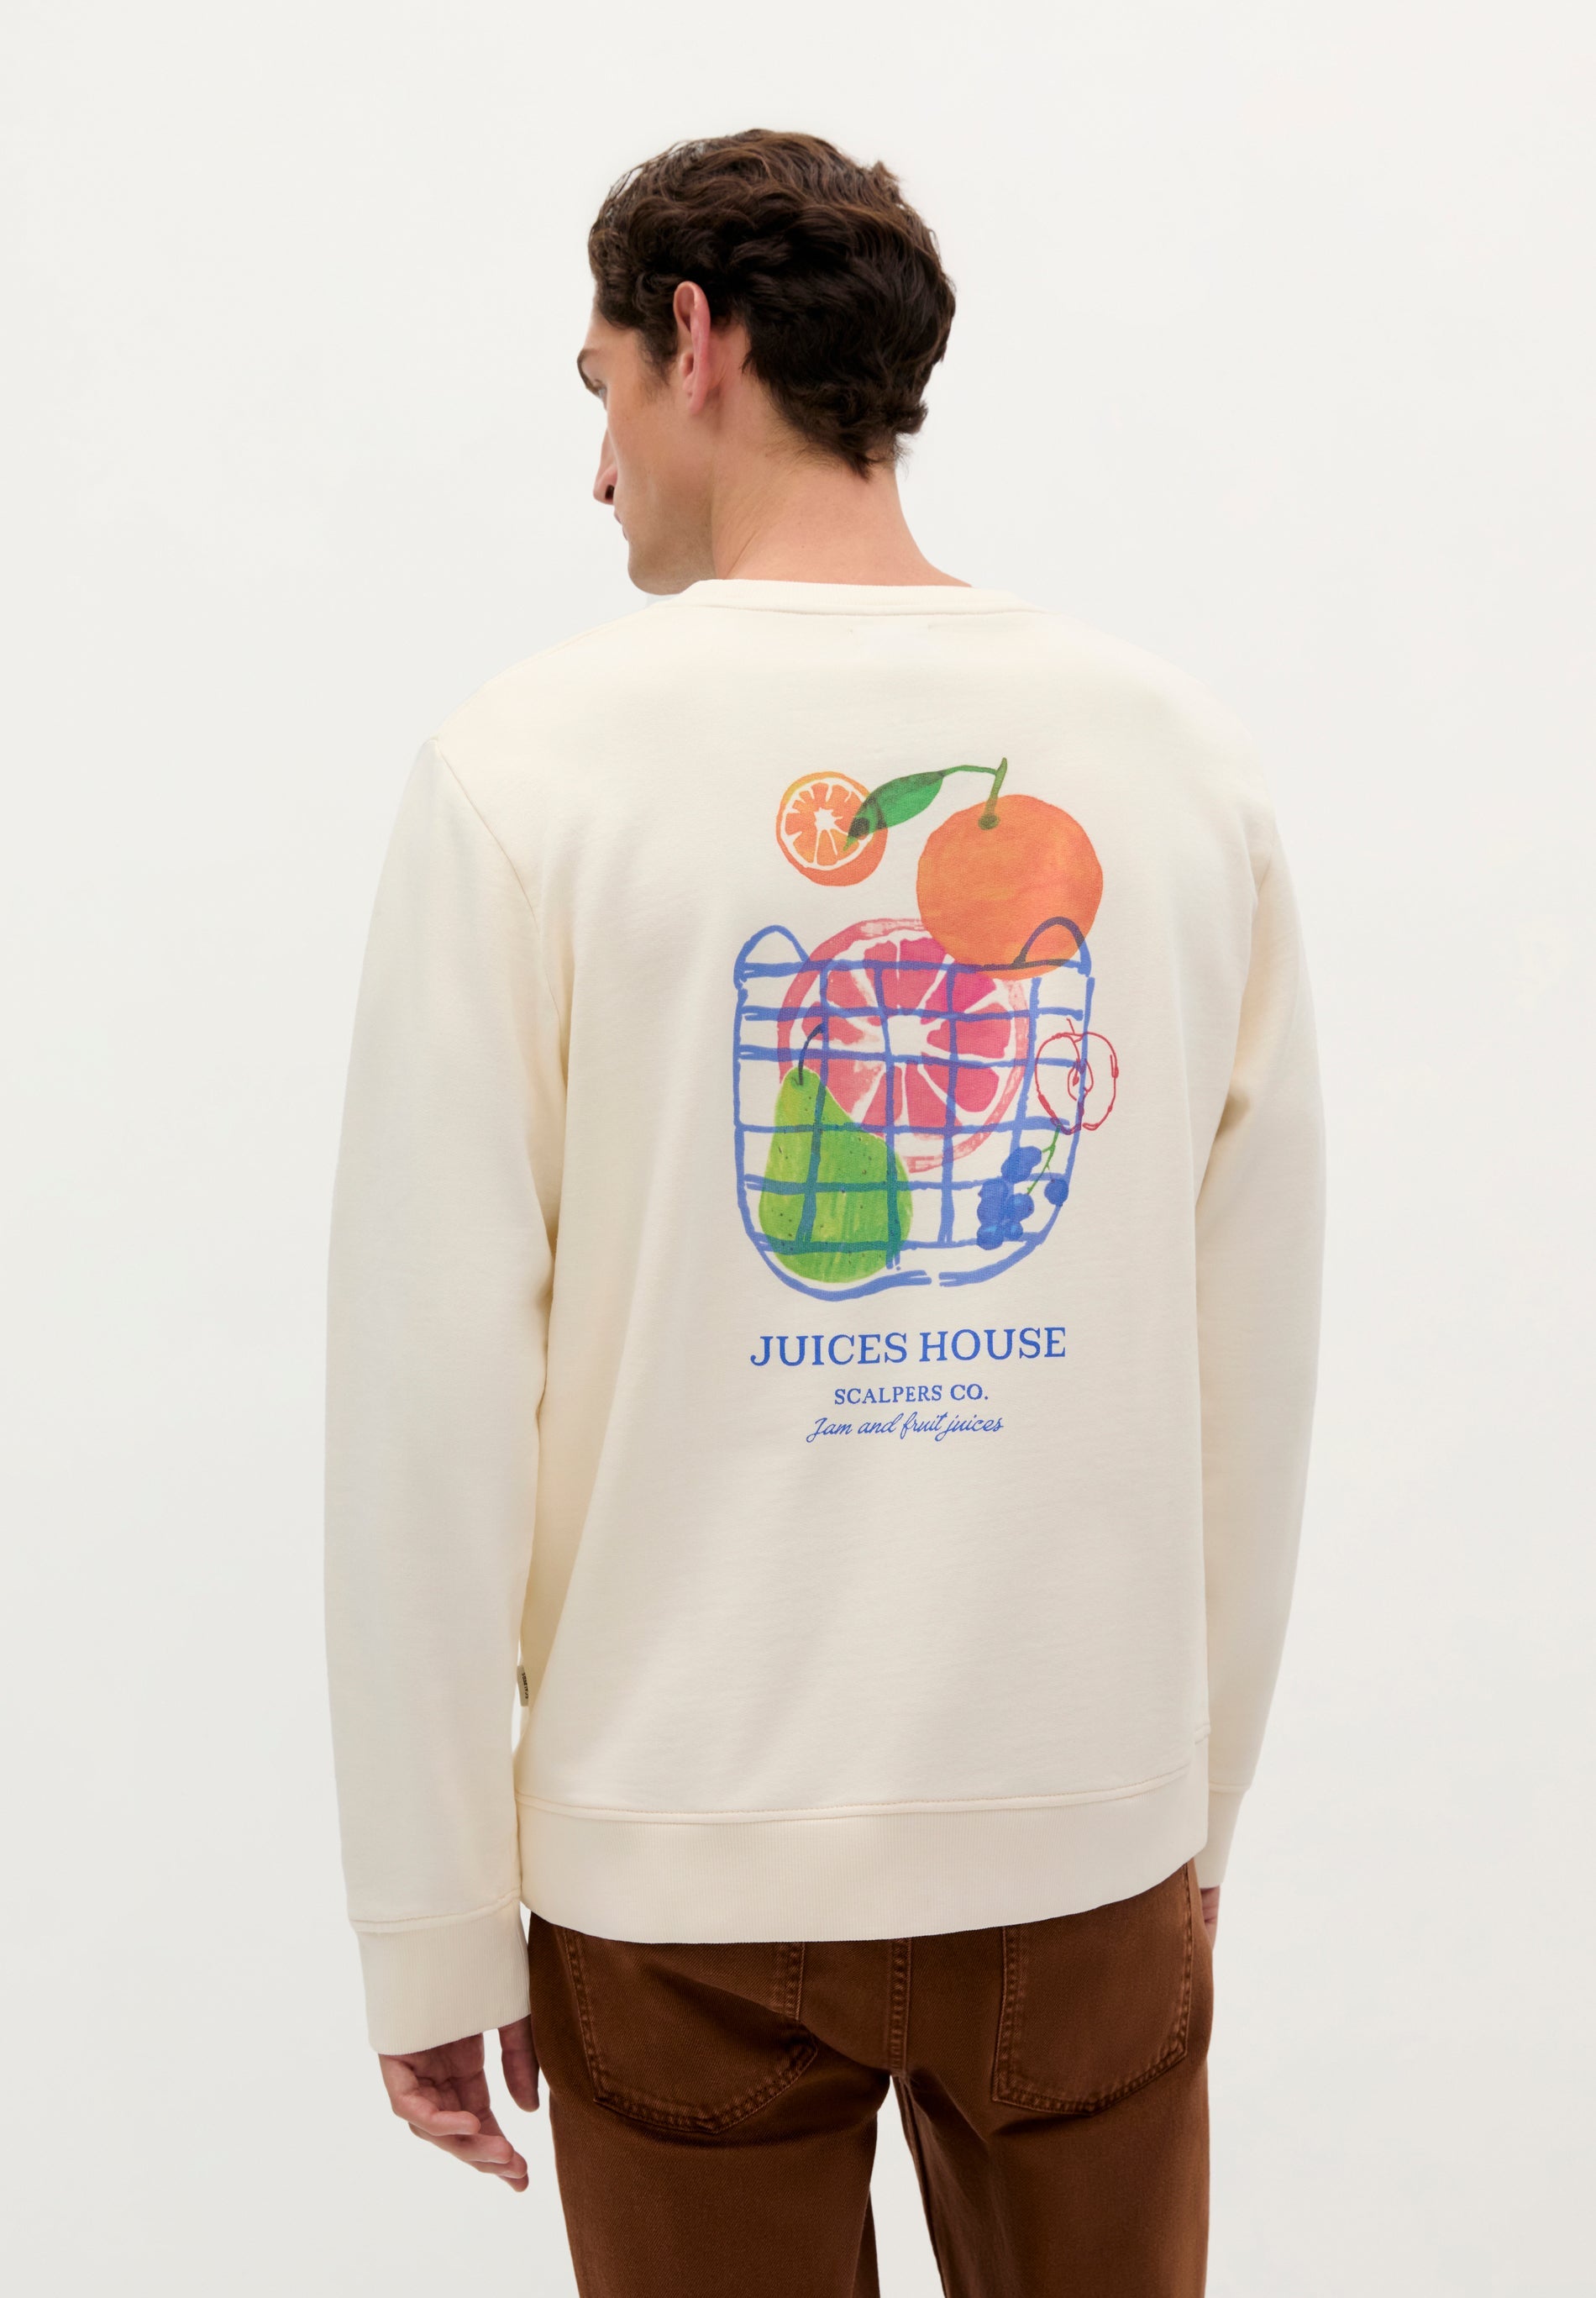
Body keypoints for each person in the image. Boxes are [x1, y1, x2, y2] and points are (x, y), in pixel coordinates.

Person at [323, 129, 1326, 2296]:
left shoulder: (528, 770)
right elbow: (1250, 1352)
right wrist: (1196, 1810)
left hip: (675, 1861)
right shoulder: (1179, 764)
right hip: (1079, 1833)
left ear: (696, 342)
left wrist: (431, 1914)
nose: (600, 469)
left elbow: (429, 1392)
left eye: (600, 390)